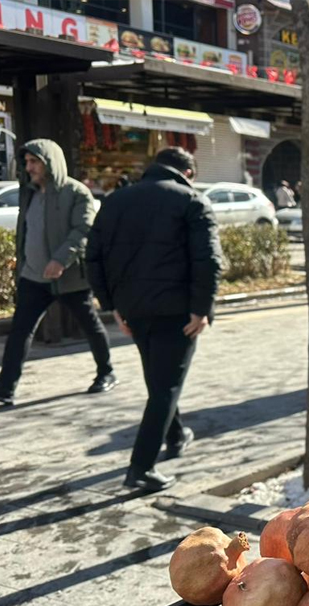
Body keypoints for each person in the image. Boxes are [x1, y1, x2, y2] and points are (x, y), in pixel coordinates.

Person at [87, 147, 223, 491]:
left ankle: (176, 435)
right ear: (187, 173)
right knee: (165, 388)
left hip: (133, 310)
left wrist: (112, 305)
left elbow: (93, 258)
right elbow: (208, 259)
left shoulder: (115, 201)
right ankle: (141, 468)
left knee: (160, 381)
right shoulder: (192, 201)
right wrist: (202, 309)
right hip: (177, 312)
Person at [0, 139, 115, 406]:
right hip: (33, 276)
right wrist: (22, 263)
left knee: (90, 325)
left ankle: (106, 372)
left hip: (69, 277)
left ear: (50, 162)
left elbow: (83, 230)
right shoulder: (30, 193)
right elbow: (27, 232)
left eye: (34, 162)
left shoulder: (77, 192)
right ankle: (5, 386)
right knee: (20, 330)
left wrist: (60, 260)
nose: (29, 167)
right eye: (27, 162)